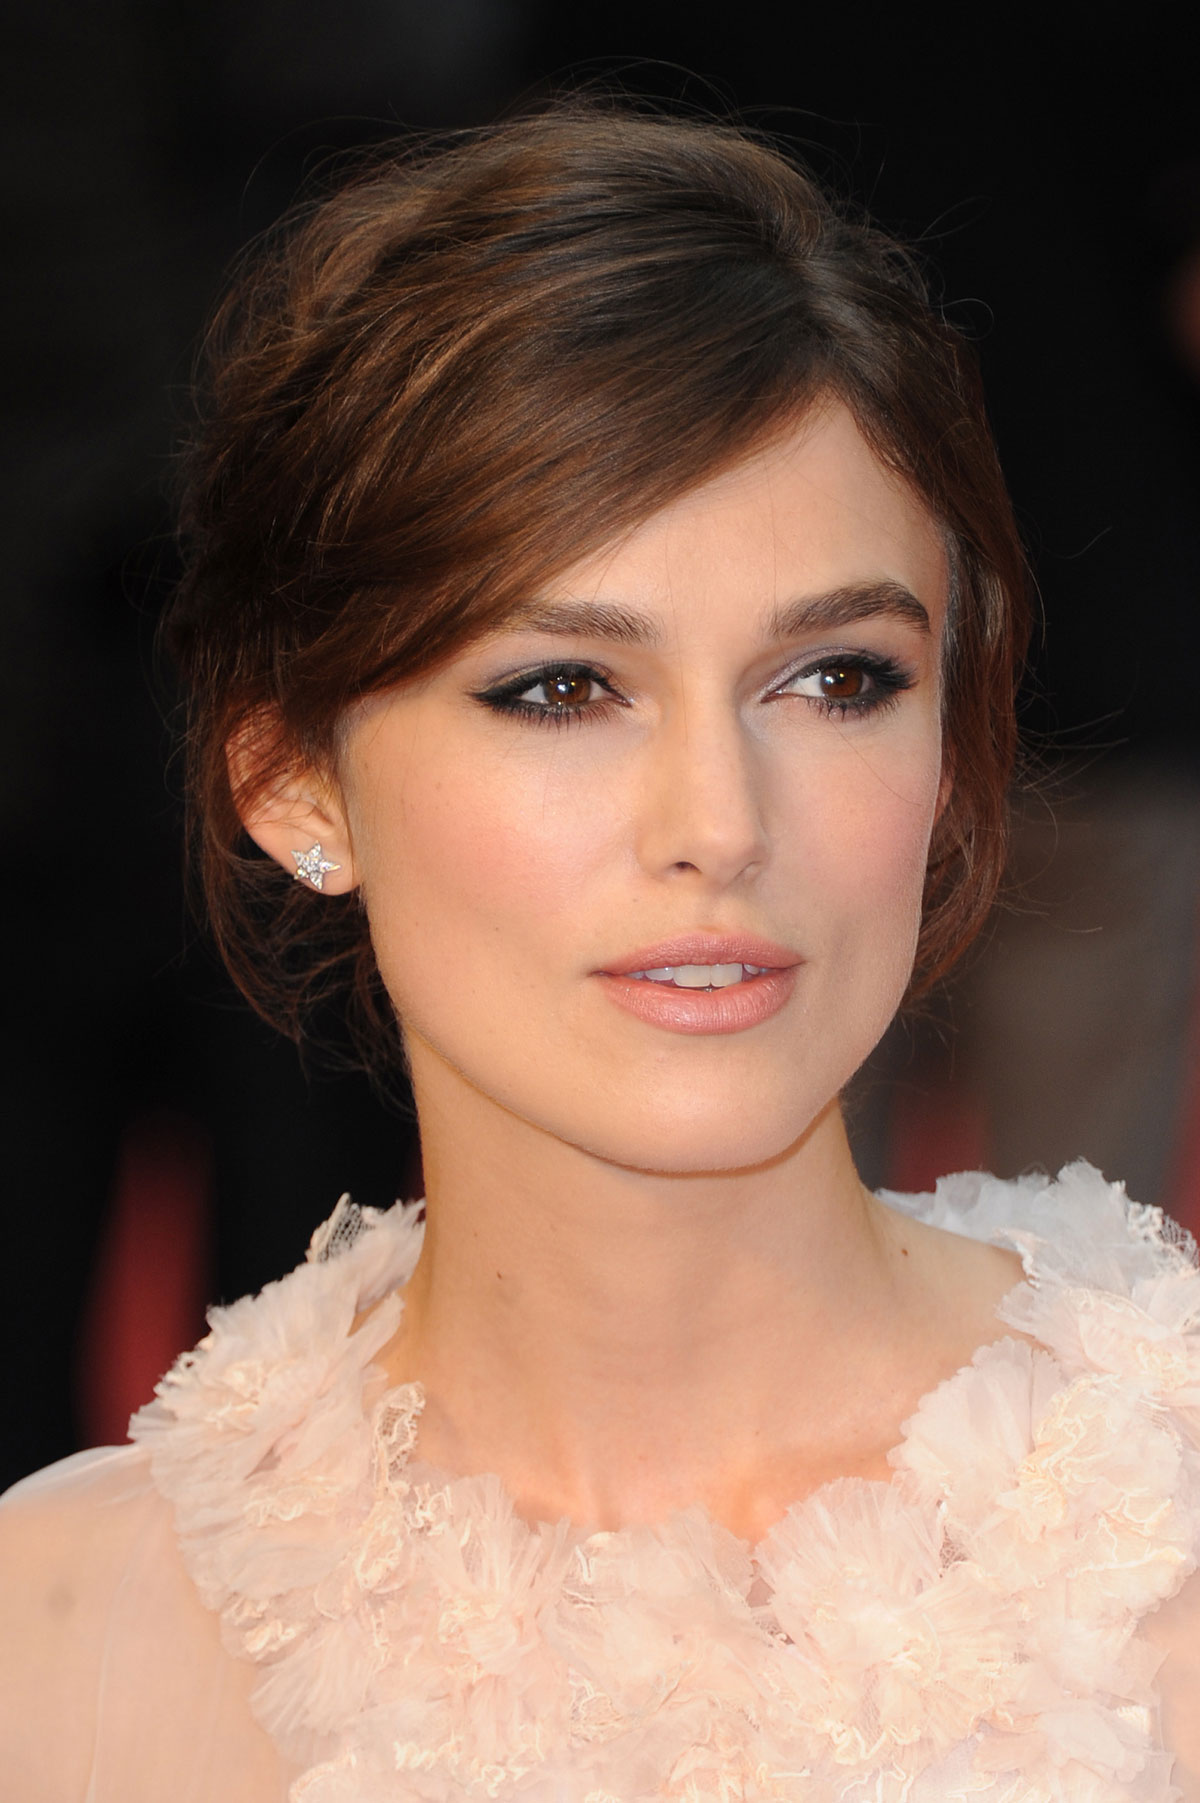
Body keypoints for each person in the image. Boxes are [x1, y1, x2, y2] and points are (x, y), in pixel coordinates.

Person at [3, 100, 1199, 1803]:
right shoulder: (64, 1639)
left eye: (838, 679)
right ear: (290, 778)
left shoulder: (1170, 1533)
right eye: (561, 689)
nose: (719, 821)